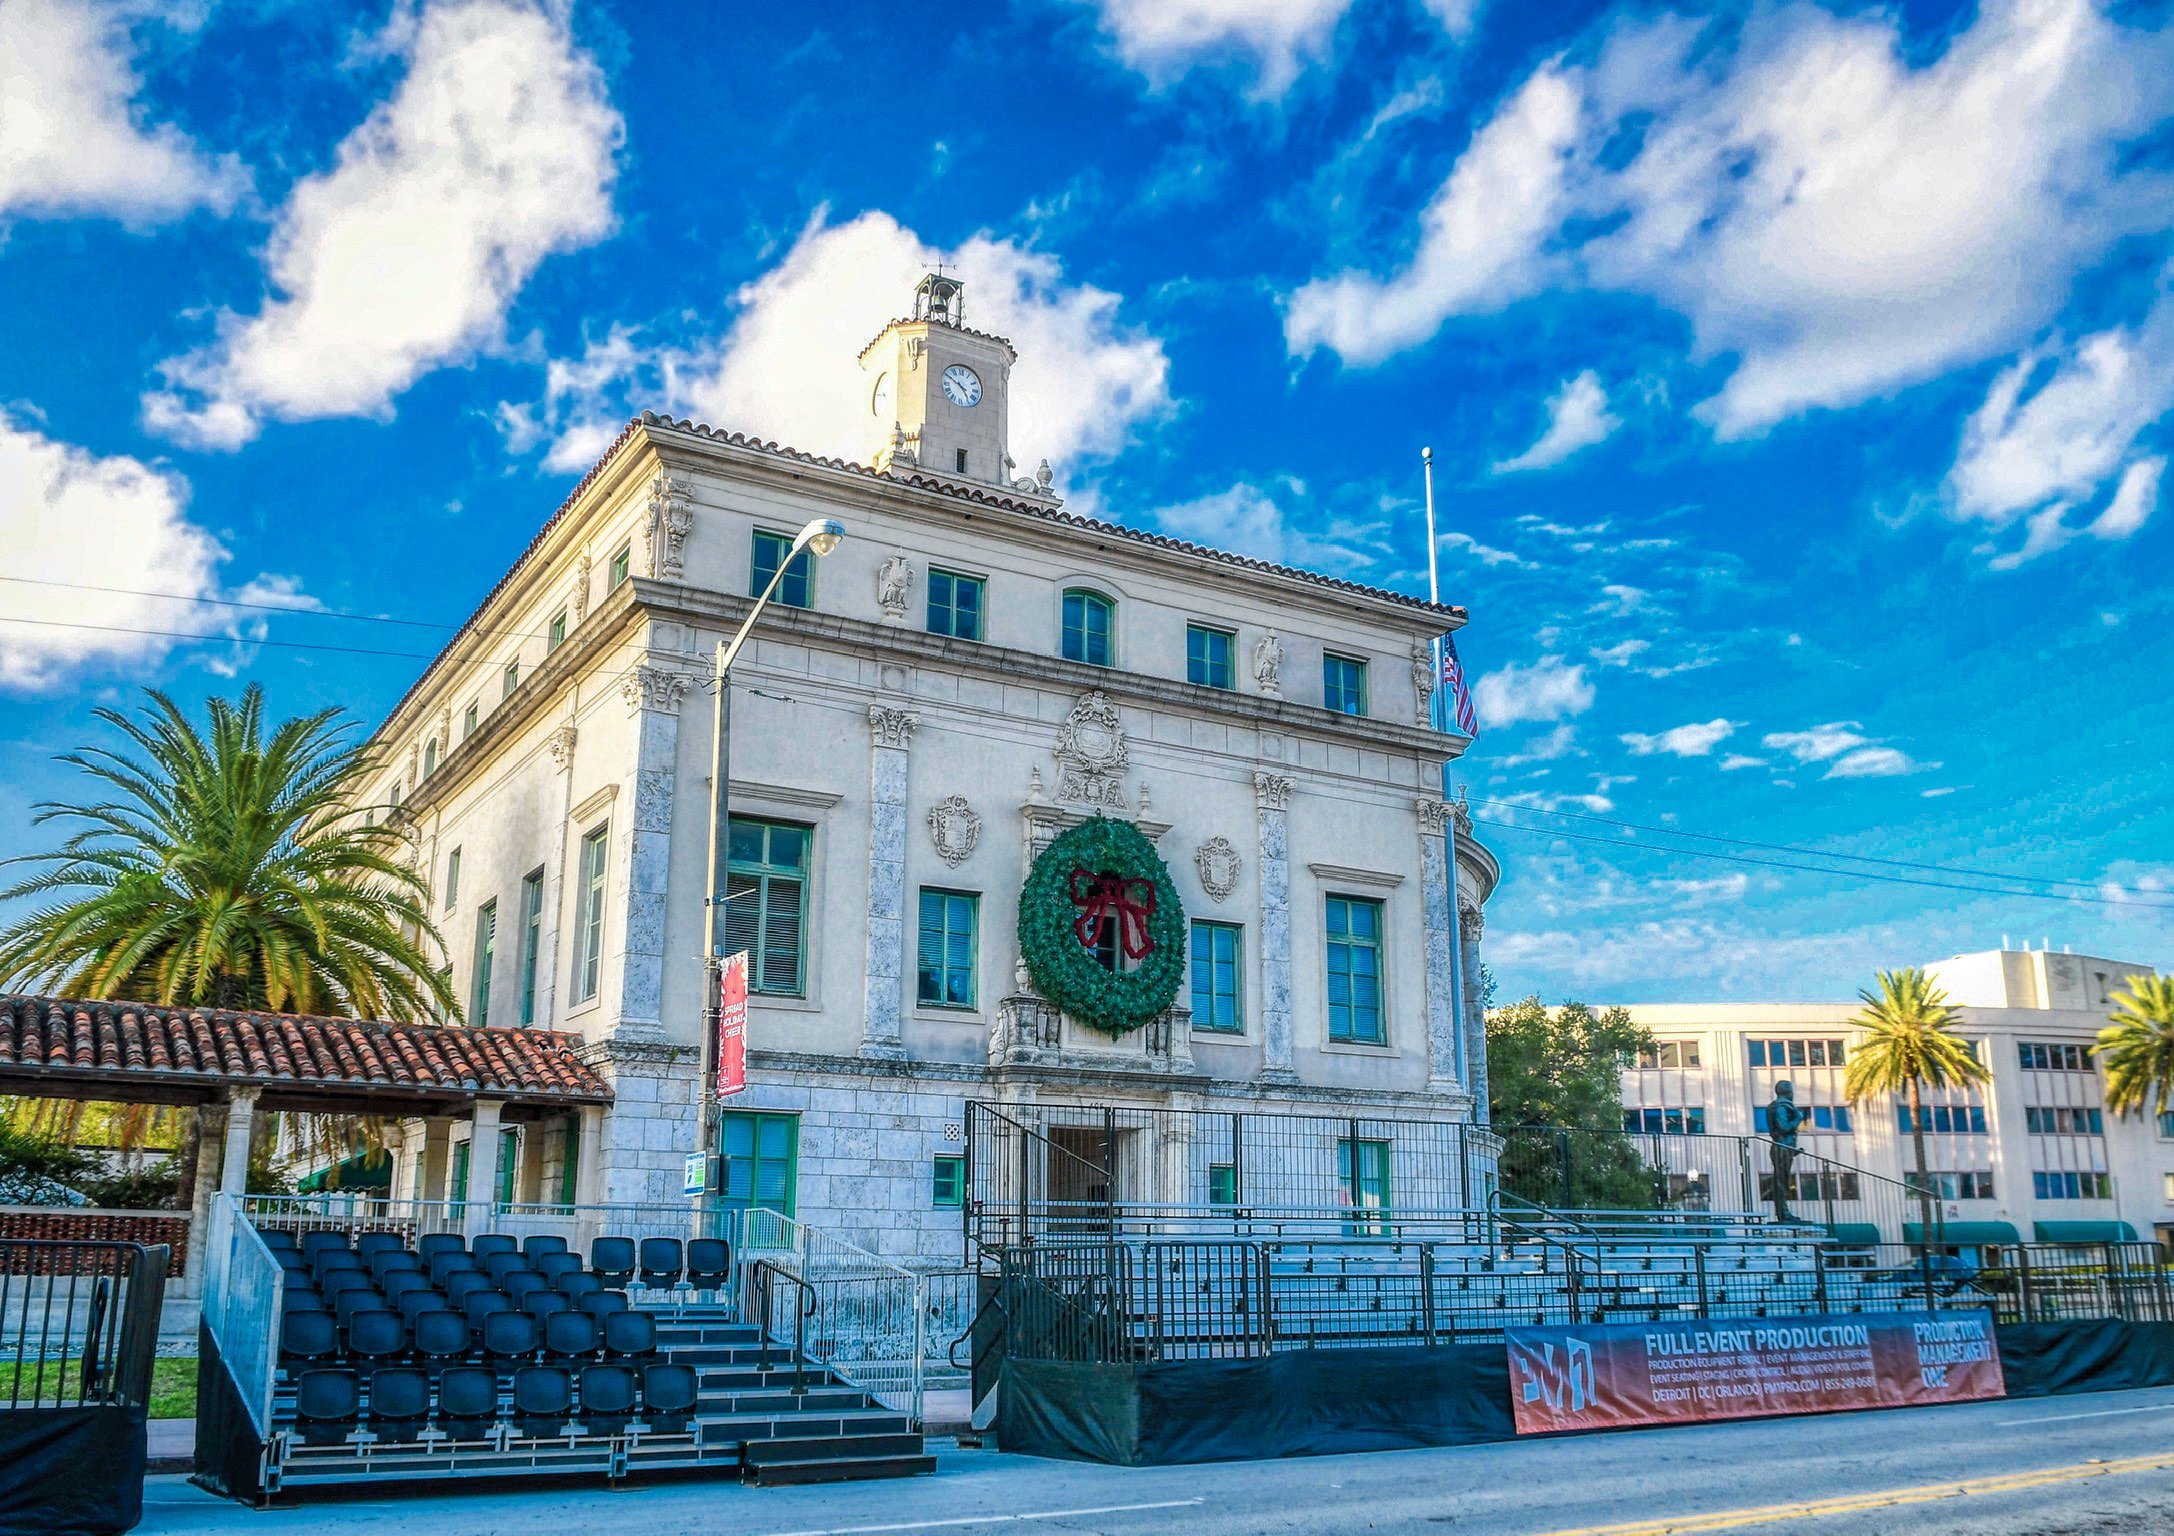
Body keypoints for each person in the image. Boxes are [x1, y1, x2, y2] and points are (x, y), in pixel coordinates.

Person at [1764, 1080, 1809, 1221]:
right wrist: (1798, 1118)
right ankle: (1783, 1213)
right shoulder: (1781, 1107)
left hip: (1783, 1148)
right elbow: (1784, 1127)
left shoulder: (1775, 1107)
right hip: (1782, 1148)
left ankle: (1783, 1212)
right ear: (1788, 1092)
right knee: (1781, 1182)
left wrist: (1793, 1150)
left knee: (1781, 1181)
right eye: (1791, 1091)